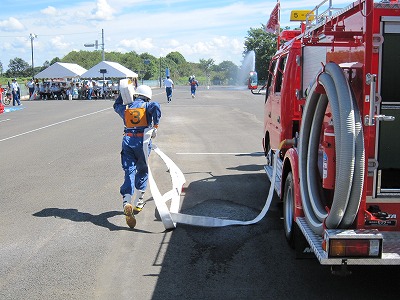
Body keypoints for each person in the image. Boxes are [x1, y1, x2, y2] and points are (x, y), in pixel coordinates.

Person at [113, 85, 161, 228]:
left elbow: (116, 105)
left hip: (127, 140)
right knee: (143, 170)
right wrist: (156, 126)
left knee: (129, 170)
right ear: (147, 96)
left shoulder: (126, 108)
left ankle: (127, 201)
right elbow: (156, 106)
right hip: (143, 142)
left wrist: (124, 92)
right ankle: (138, 202)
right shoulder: (148, 105)